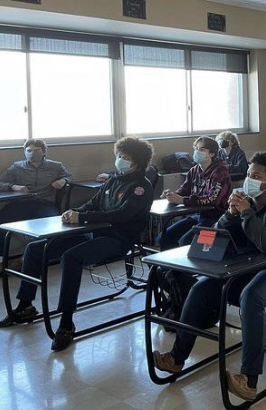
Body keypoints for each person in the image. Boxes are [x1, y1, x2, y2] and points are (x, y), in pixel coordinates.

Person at [152, 152, 266, 402]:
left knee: (252, 297)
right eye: (248, 174)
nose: (249, 180)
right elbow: (216, 234)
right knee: (201, 289)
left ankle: (249, 379)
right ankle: (176, 358)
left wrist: (246, 213)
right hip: (247, 267)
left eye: (256, 176)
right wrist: (231, 213)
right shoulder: (248, 201)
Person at [0, 137, 154, 351]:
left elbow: (122, 215)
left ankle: (66, 322)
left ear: (138, 161)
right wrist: (75, 212)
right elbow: (94, 202)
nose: (120, 160)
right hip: (93, 233)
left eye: (126, 158)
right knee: (35, 249)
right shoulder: (114, 179)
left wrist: (82, 218)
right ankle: (26, 304)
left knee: (70, 258)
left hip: (118, 239)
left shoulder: (141, 186)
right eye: (119, 156)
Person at [157, 136, 232, 250]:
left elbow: (213, 199)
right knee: (163, 238)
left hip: (217, 218)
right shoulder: (194, 170)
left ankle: (185, 267)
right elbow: (184, 190)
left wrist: (183, 200)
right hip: (199, 215)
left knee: (185, 242)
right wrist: (172, 195)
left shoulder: (220, 171)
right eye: (196, 149)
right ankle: (170, 267)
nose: (197, 152)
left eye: (202, 149)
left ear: (212, 154)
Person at [0, 139, 71, 224]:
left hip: (45, 203)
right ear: (24, 152)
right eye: (29, 151)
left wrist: (63, 181)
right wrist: (12, 186)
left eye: (37, 150)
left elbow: (68, 176)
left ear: (44, 152)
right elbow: (1, 182)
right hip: (21, 203)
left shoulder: (56, 166)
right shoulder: (16, 167)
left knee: (54, 222)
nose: (32, 153)